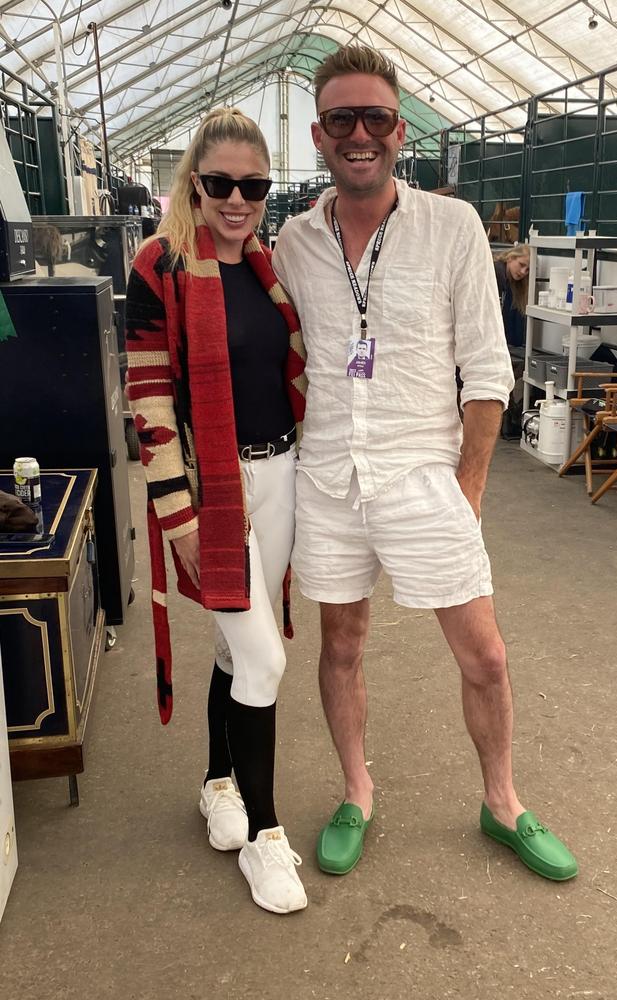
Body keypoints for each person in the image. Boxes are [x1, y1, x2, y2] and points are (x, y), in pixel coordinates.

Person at [272, 45, 577, 882]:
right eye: (343, 120)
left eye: (375, 117)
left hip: (423, 476)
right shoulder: (294, 243)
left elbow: (487, 371)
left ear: (400, 129)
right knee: (342, 644)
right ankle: (357, 790)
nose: (360, 133)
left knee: (485, 655)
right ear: (320, 135)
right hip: (331, 478)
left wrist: (468, 489)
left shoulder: (452, 227)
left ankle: (503, 801)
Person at [125, 108, 308, 915]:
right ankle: (267, 838)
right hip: (215, 492)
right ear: (193, 180)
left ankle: (217, 783)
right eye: (222, 183)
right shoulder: (159, 265)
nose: (238, 200)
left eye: (254, 185)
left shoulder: (270, 268)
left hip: (283, 480)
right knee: (264, 661)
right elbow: (149, 401)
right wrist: (183, 520)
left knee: (239, 658)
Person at [493, 244, 530, 438]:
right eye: (521, 265)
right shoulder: (496, 275)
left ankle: (509, 419)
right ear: (510, 258)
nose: (523, 272)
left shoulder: (506, 280)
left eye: (528, 269)